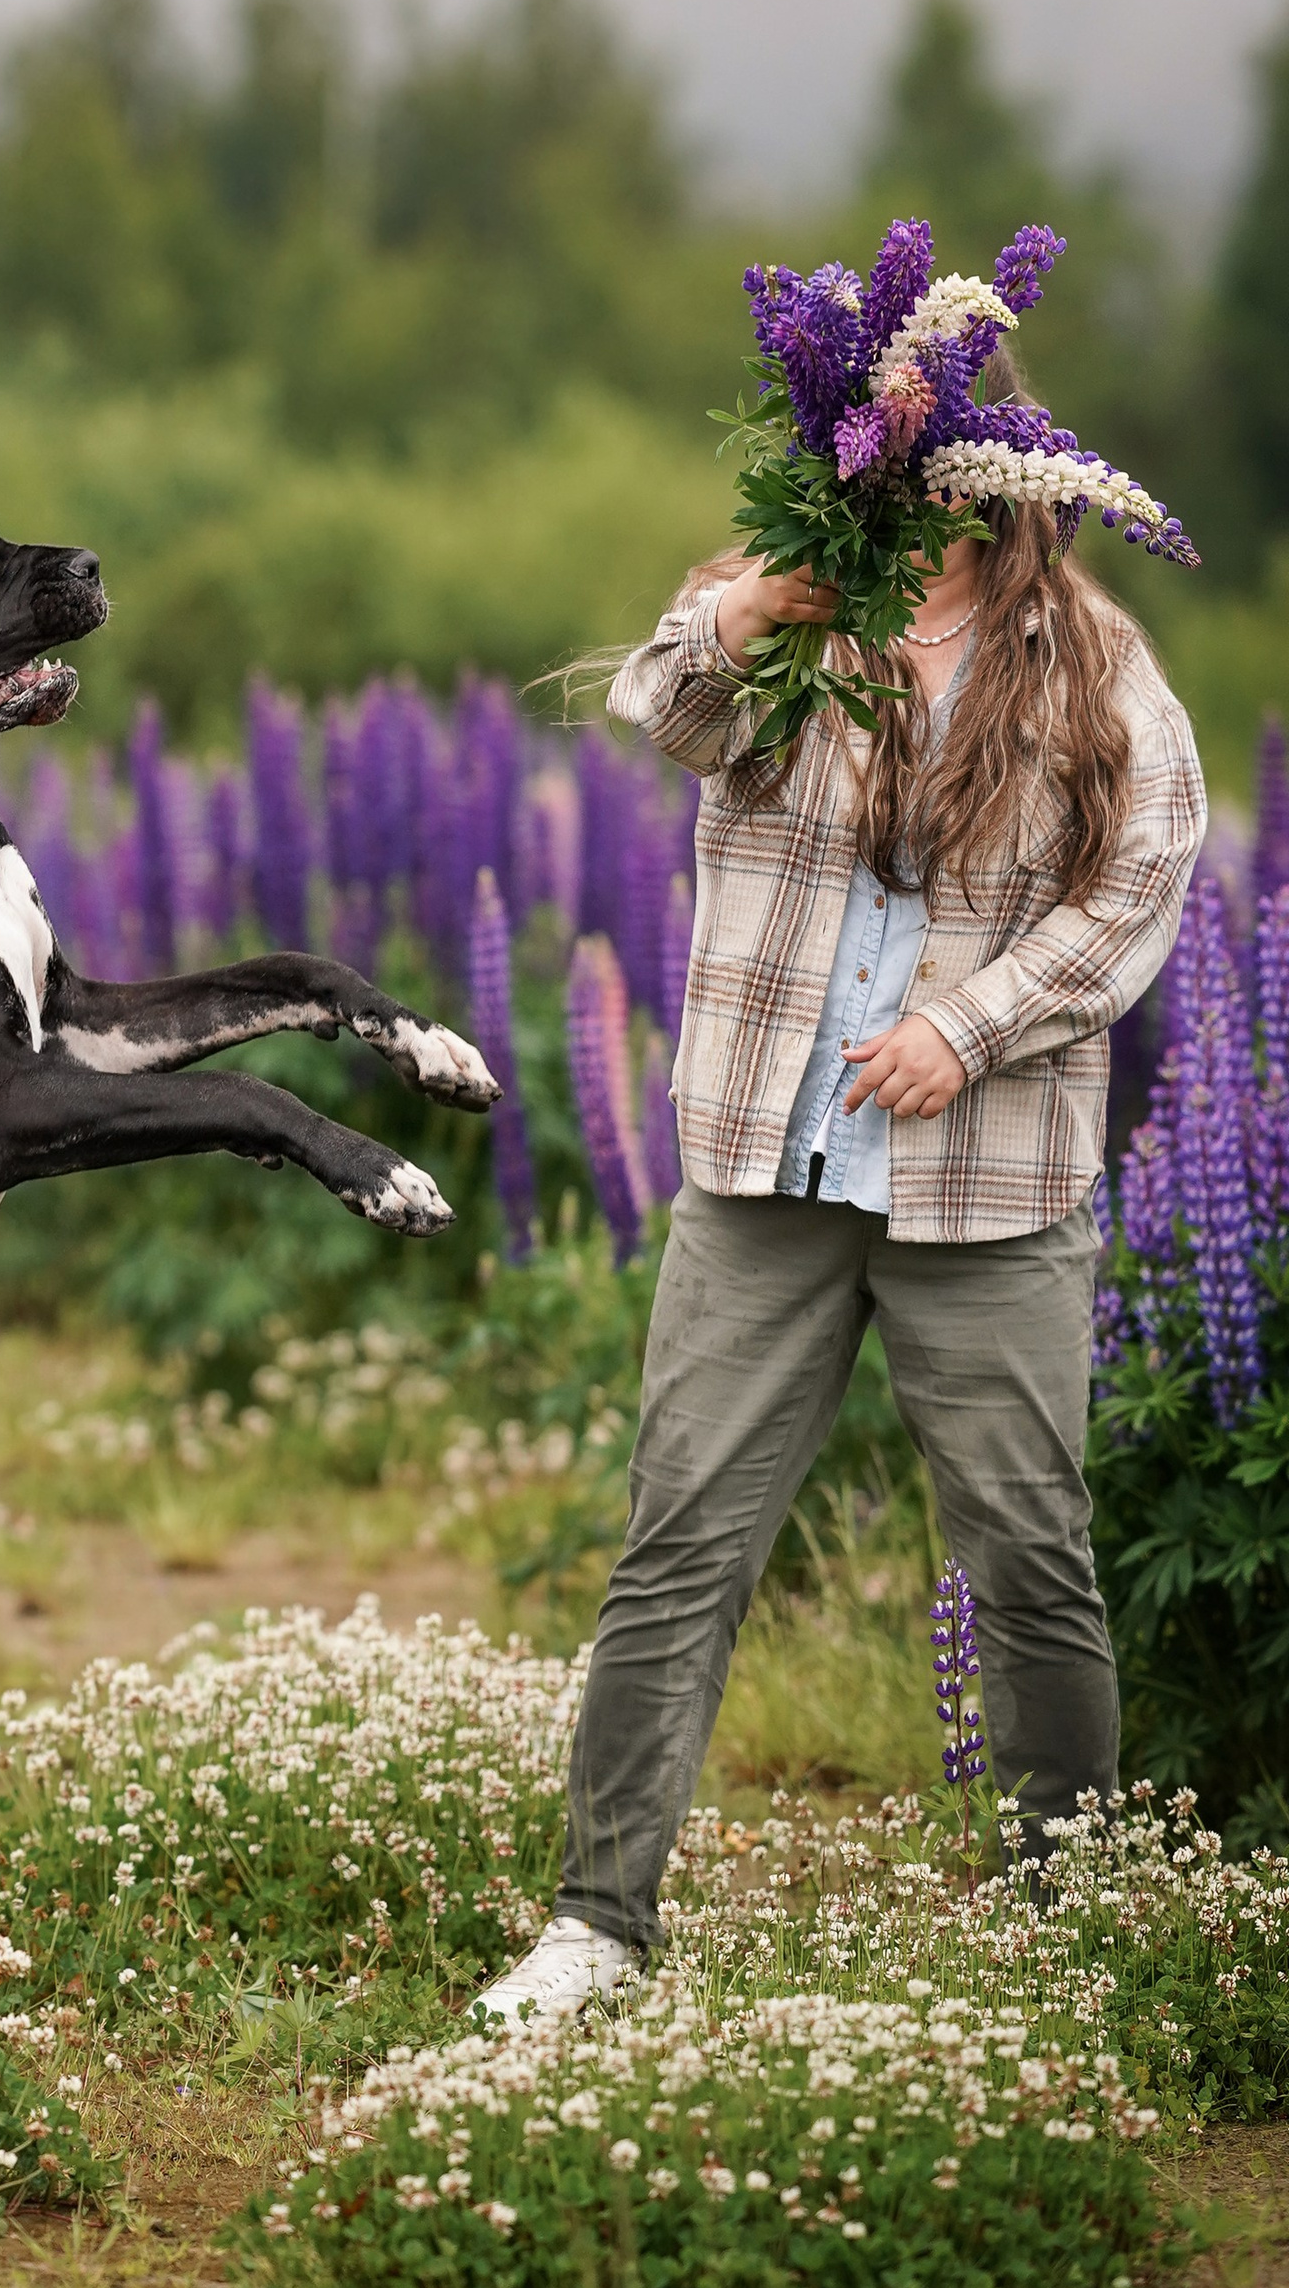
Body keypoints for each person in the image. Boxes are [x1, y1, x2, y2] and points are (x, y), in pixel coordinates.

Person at [476, 496, 1206, 2022]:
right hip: (767, 1159)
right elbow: (662, 707)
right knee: (679, 1543)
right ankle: (595, 1927)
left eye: (921, 433)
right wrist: (748, 607)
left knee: (1027, 1554)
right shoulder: (785, 608)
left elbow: (1138, 893)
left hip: (987, 1179)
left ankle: (1062, 1923)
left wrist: (968, 1022)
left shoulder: (1092, 657)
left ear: (998, 468)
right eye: (863, 426)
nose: (886, 461)